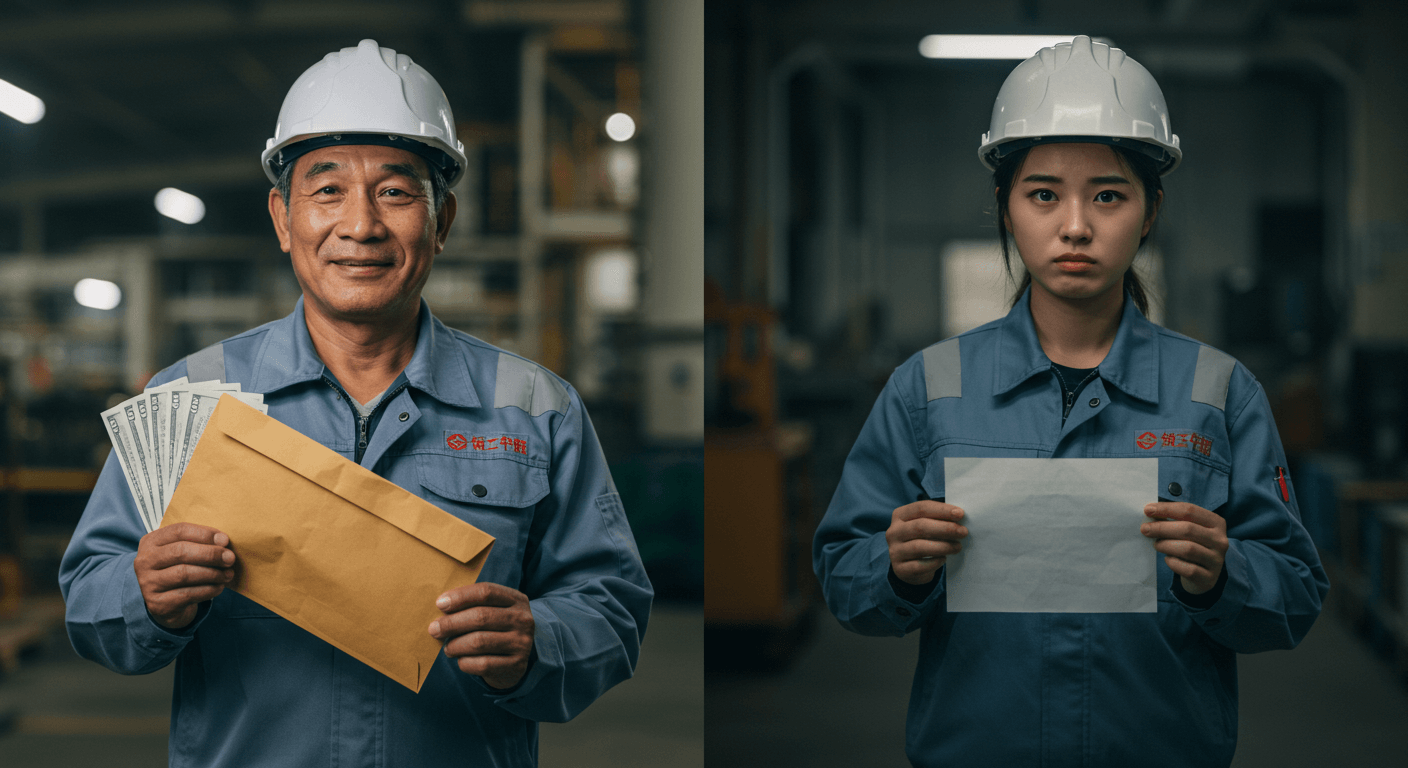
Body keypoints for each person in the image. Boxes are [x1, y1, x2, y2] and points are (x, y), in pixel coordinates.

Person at [60, 39, 652, 767]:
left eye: (396, 192)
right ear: (283, 218)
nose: (361, 224)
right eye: (327, 191)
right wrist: (144, 596)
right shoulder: (190, 399)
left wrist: (542, 642)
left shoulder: (534, 409)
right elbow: (89, 596)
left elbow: (612, 605)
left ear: (442, 221)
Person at [812, 36, 1327, 768]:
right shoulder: (928, 388)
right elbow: (844, 576)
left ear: (1150, 211)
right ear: (1005, 208)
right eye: (1043, 194)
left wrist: (1224, 574)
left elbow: (1296, 596)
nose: (1076, 226)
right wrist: (896, 569)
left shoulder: (1218, 393)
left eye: (1109, 195)